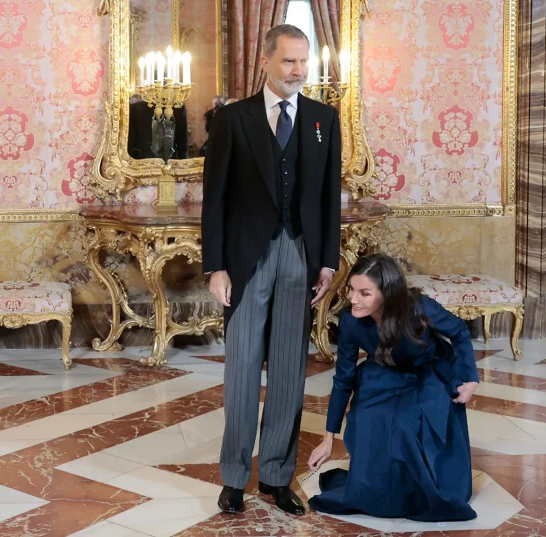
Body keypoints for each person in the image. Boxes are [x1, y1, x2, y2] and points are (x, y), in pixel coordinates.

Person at [202, 24, 342, 516]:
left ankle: (278, 476)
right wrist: (215, 267)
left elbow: (328, 198)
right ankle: (235, 478)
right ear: (265, 62)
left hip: (300, 255)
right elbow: (214, 198)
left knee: (288, 370)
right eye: (288, 61)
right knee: (241, 371)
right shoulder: (232, 119)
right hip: (246, 260)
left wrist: (327, 261)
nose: (298, 71)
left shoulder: (324, 118)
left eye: (304, 62)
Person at [308, 254, 479, 522]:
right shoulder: (351, 321)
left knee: (403, 423)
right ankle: (376, 490)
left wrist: (470, 378)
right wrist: (328, 438)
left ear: (387, 293)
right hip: (383, 371)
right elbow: (343, 378)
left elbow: (459, 331)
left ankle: (415, 491)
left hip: (426, 370)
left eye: (364, 293)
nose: (353, 299)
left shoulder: (419, 308)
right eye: (351, 290)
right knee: (366, 418)